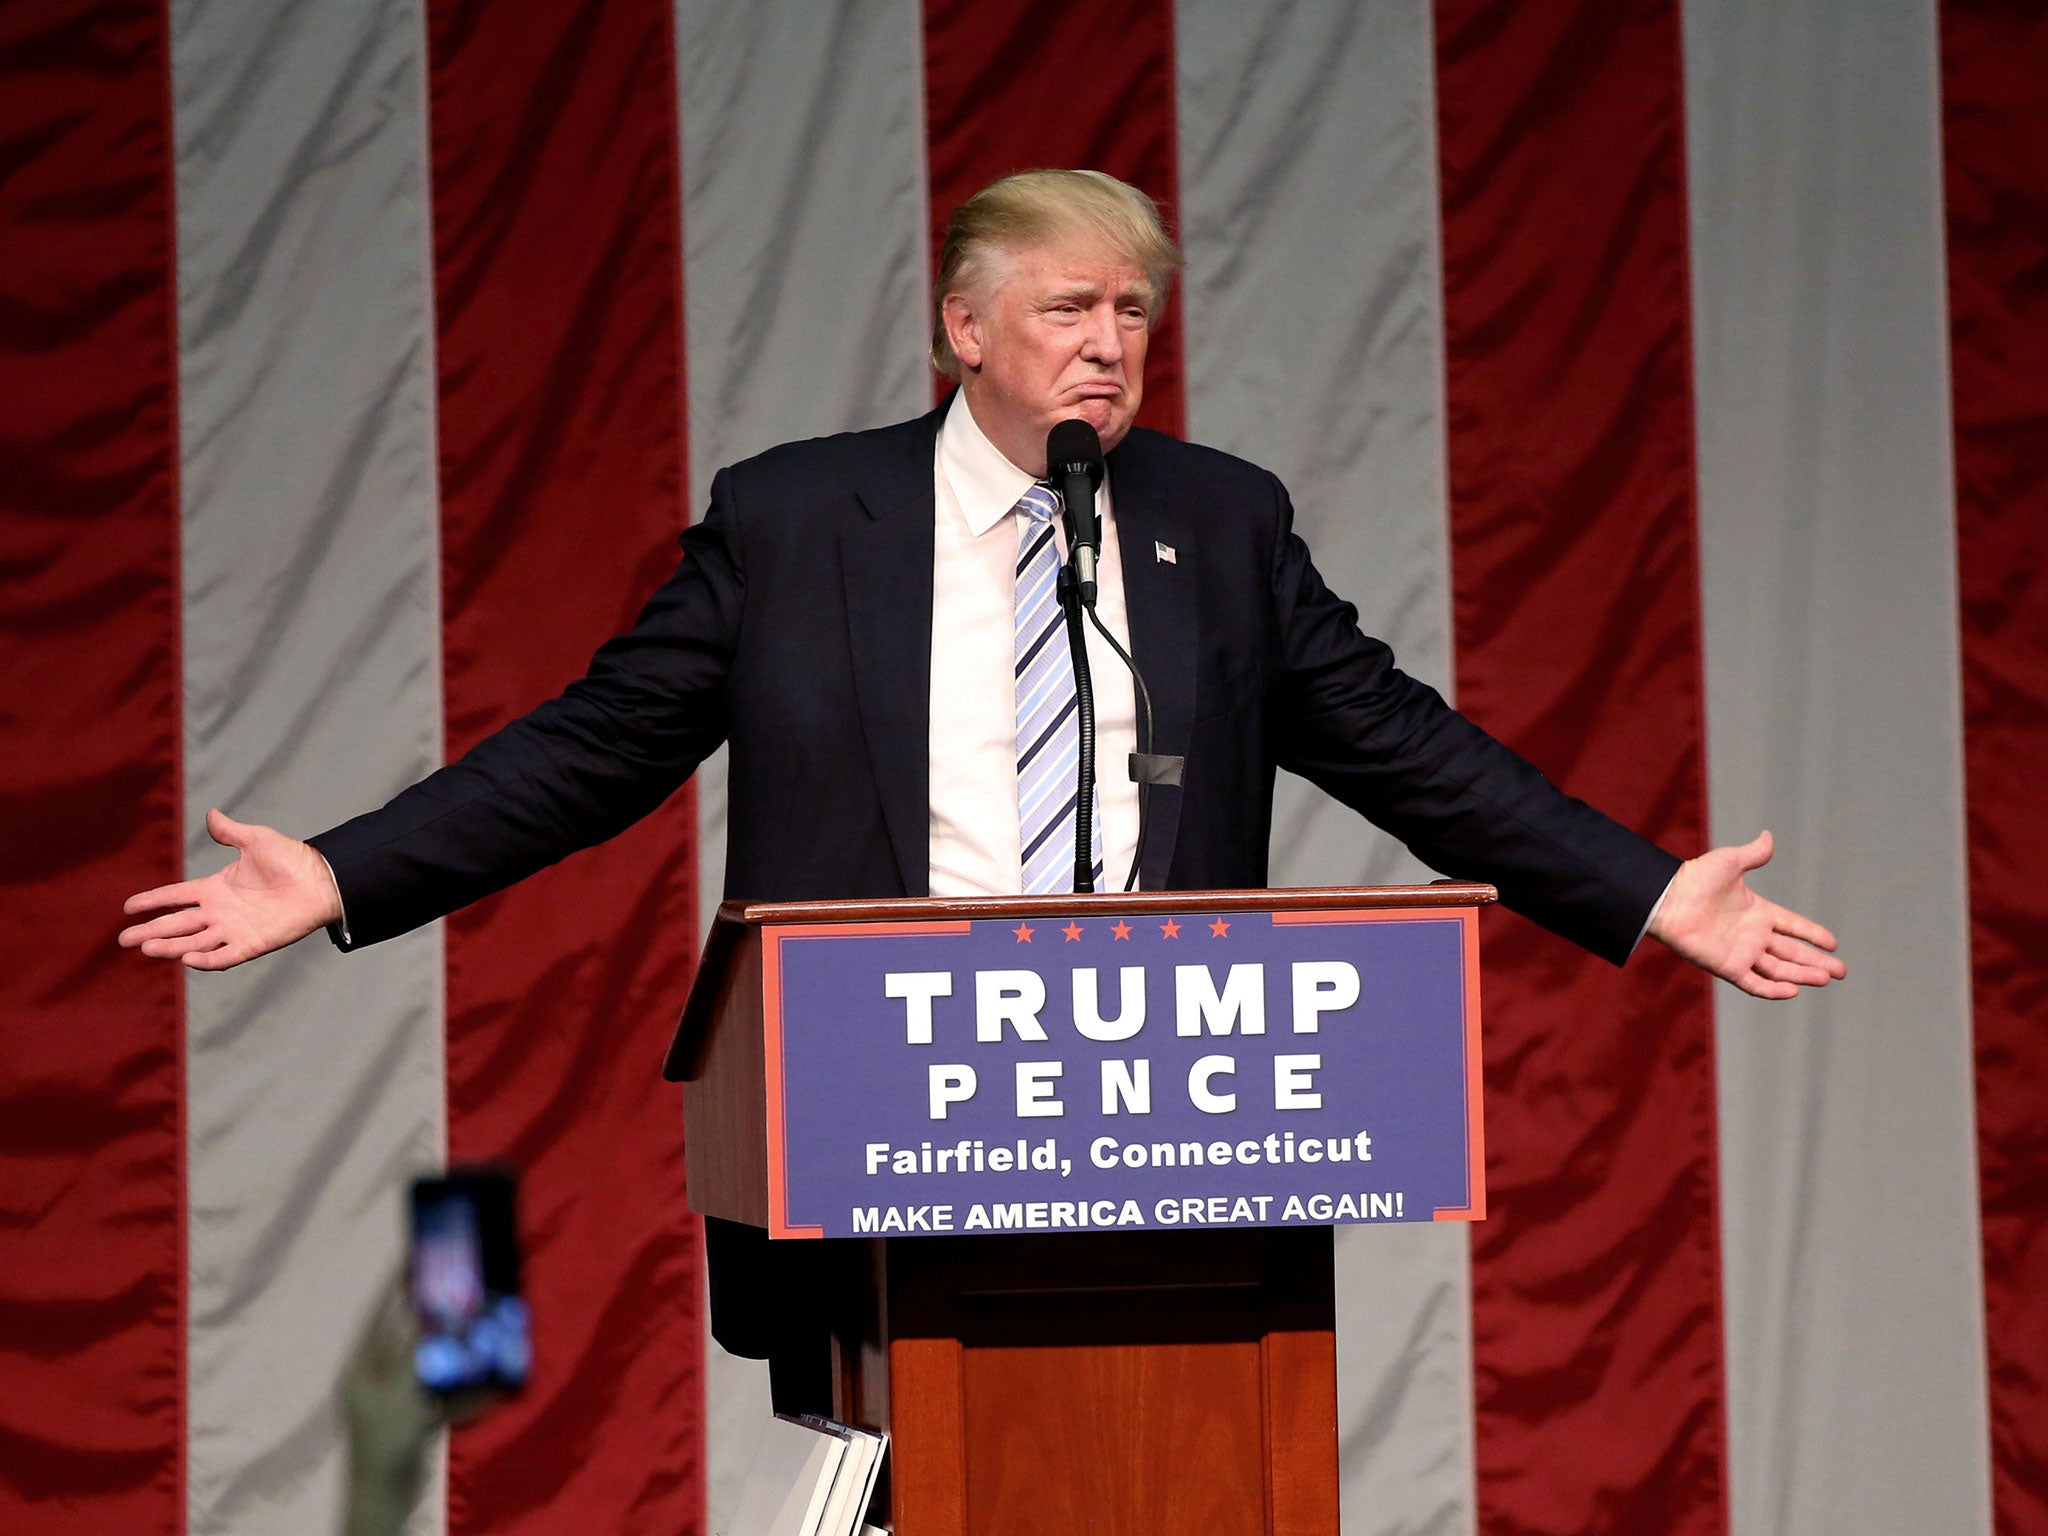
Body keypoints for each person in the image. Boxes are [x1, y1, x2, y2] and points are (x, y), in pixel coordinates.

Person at [121, 169, 1844, 1405]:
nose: (1111, 342)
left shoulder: (1217, 521)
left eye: (1135, 312)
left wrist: (1640, 889)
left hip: (1170, 1131)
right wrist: (345, 874)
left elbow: (1400, 744)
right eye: (1071, 307)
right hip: (887, 1115)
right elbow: (600, 743)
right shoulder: (799, 522)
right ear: (962, 328)